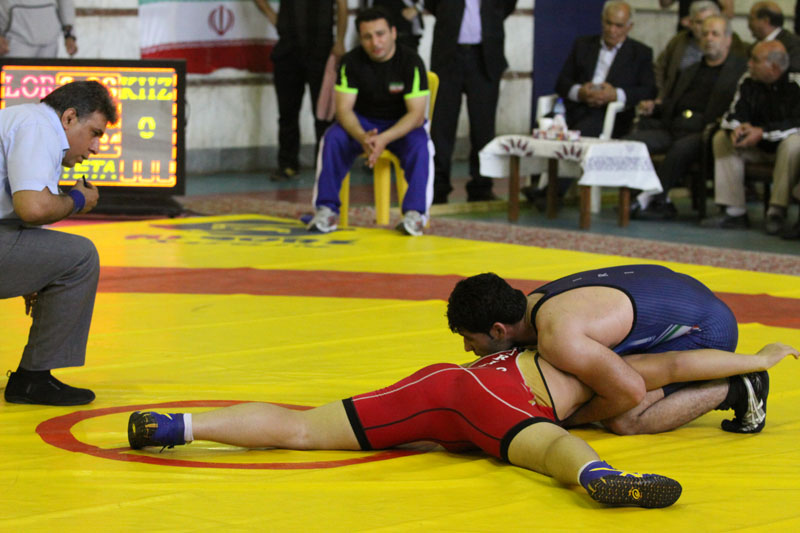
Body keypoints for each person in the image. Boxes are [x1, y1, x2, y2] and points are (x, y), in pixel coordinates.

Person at [127, 341, 798, 508]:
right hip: (501, 408)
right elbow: (675, 363)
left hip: (444, 383)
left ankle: (176, 425)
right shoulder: (602, 361)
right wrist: (757, 359)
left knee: (301, 429)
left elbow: (675, 362)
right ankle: (601, 476)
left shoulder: (545, 340)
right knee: (555, 445)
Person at [446, 265, 768, 435]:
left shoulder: (558, 338)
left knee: (624, 419)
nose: (467, 348)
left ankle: (738, 388)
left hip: (708, 330)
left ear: (498, 330)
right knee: (602, 377)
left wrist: (566, 422)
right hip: (682, 291)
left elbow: (629, 391)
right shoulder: (534, 303)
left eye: (469, 339)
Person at [0, 80, 117, 405]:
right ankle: (33, 379)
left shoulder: (24, 119)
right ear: (69, 117)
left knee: (60, 256)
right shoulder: (39, 127)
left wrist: (35, 273)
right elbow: (34, 208)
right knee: (80, 257)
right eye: (94, 133)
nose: (95, 148)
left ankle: (33, 378)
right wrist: (77, 200)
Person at [306, 7, 433, 237]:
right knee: (332, 138)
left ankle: (415, 215)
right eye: (367, 37)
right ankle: (326, 210)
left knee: (421, 145)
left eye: (380, 34)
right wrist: (362, 136)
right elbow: (343, 111)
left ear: (393, 33)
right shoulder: (350, 62)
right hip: (362, 125)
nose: (375, 42)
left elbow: (416, 115)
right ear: (360, 38)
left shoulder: (412, 62)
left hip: (401, 125)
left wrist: (383, 139)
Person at [627, 15, 747, 219]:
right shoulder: (691, 70)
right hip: (674, 126)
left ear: (728, 39)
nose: (709, 38)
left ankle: (652, 199)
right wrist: (655, 107)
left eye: (715, 34)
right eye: (705, 34)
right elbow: (672, 102)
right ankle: (634, 197)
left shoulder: (739, 72)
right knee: (632, 143)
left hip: (705, 132)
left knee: (681, 148)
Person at [424, 0, 517, 204]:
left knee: (484, 127)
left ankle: (481, 186)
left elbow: (507, 5)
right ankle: (438, 186)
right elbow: (431, 4)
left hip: (485, 56)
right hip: (448, 54)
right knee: (442, 126)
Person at [705, 40, 800, 235]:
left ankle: (776, 211)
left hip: (786, 150)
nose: (749, 64)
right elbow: (733, 113)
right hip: (755, 146)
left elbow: (796, 123)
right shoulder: (748, 80)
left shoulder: (796, 82)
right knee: (721, 139)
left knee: (793, 143)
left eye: (755, 60)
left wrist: (763, 132)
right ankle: (734, 211)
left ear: (774, 67)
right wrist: (737, 128)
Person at [254, 0, 348, 182]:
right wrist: (272, 16)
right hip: (288, 50)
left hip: (321, 49)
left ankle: (325, 165)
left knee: (324, 115)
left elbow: (342, 5)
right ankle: (287, 165)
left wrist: (340, 41)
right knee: (287, 113)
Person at [555, 1, 656, 139]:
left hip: (611, 114)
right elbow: (561, 83)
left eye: (618, 26)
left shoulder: (640, 53)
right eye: (608, 23)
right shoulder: (583, 45)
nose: (612, 30)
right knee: (543, 127)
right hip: (576, 108)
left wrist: (615, 94)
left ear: (629, 26)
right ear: (602, 20)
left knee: (584, 130)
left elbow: (648, 90)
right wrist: (580, 92)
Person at [654, 1, 747, 104]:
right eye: (699, 22)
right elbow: (660, 68)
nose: (705, 26)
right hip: (678, 99)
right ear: (690, 23)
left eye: (714, 33)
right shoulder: (679, 41)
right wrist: (660, 96)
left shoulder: (733, 42)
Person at [0, 0, 77, 57]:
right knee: (14, 74)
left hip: (49, 39)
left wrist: (69, 34)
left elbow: (66, 2)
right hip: (14, 37)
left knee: (46, 72)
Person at [746, 1, 800, 73]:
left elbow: (795, 72)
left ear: (766, 20)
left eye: (751, 19)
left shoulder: (794, 45)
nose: (749, 24)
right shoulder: (753, 48)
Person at [659, 0, 733, 33]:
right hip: (685, 34)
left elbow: (728, 12)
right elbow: (664, 3)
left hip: (709, 35)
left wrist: (703, 21)